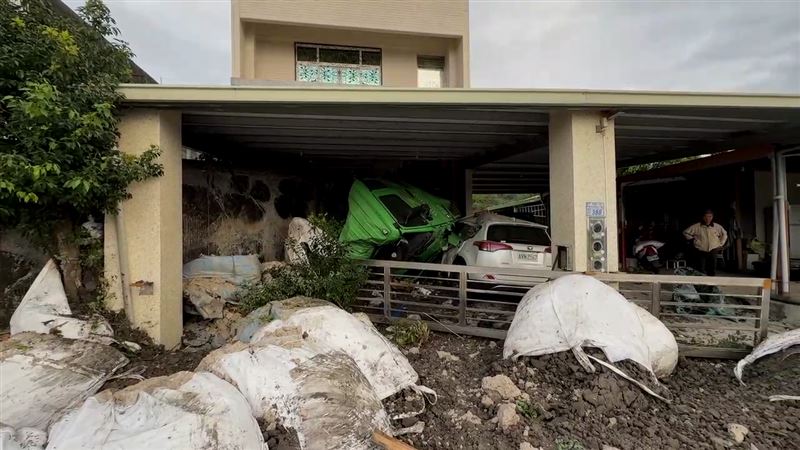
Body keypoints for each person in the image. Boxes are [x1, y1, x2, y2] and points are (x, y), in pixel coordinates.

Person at [683, 210, 728, 276]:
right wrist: (693, 239)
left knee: (712, 267)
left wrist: (721, 244)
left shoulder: (717, 226)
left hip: (713, 249)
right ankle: (702, 283)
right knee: (701, 268)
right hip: (701, 249)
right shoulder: (697, 226)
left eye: (710, 216)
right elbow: (685, 232)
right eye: (706, 217)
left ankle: (711, 283)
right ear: (703, 217)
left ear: (712, 217)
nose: (708, 218)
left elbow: (725, 234)